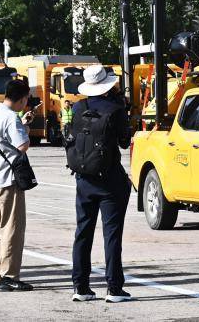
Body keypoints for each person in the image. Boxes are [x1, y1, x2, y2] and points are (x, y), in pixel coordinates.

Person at [70, 65, 132, 303]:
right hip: (110, 180)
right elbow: (125, 142)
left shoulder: (78, 107)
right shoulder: (115, 109)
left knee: (82, 232)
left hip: (83, 178)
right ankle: (114, 288)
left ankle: (80, 287)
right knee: (112, 234)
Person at [0, 80, 34, 292]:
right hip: (8, 181)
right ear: (22, 98)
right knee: (13, 229)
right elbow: (22, 145)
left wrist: (21, 124)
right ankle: (9, 276)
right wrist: (25, 127)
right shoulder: (11, 118)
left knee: (1, 230)